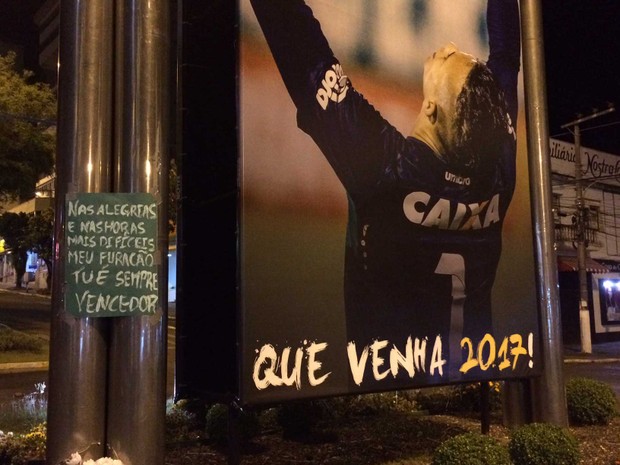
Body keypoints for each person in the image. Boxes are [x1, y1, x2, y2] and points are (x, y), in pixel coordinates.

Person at [250, 0, 520, 386]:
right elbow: (507, 56)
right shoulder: (500, 162)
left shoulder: (386, 172)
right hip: (469, 381)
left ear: (430, 110)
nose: (449, 47)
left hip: (387, 393)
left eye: (452, 59)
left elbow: (298, 43)